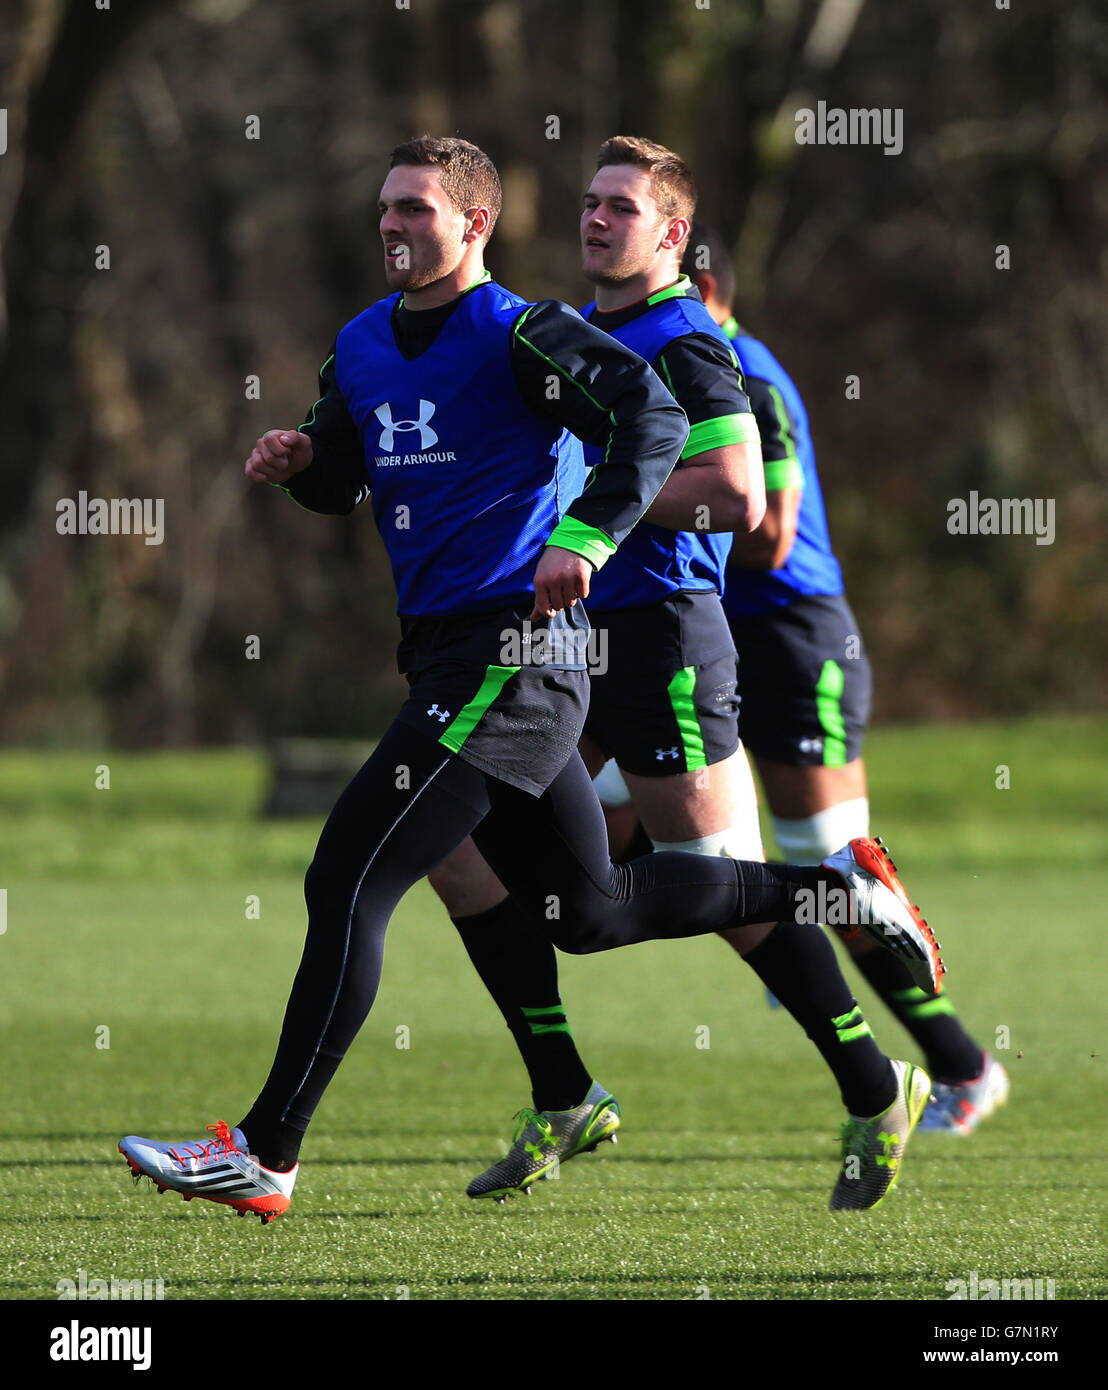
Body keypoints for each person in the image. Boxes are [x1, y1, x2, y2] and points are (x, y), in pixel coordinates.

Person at [119, 136, 940, 1225]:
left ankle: (267, 1149)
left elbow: (713, 479)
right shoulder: (365, 343)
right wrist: (304, 467)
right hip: (506, 646)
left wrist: (588, 530)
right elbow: (355, 468)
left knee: (352, 873)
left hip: (566, 644)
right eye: (385, 209)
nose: (392, 226)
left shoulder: (555, 331)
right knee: (587, 909)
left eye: (416, 207)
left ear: (473, 224)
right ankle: (802, 920)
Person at [427, 138, 938, 1214]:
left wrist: (600, 506)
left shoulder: (690, 343)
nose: (597, 219)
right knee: (456, 843)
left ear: (672, 234)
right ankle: (562, 1090)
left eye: (623, 206)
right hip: (564, 640)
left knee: (721, 890)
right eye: (588, 201)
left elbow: (738, 501)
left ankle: (869, 1073)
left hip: (659, 640)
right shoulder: (573, 336)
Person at [679, 222, 1008, 1134]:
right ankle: (797, 959)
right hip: (712, 641)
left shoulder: (747, 374)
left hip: (795, 643)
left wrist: (650, 508)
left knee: (842, 879)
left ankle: (963, 1066)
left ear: (702, 290)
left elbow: (772, 536)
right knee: (651, 837)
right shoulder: (677, 367)